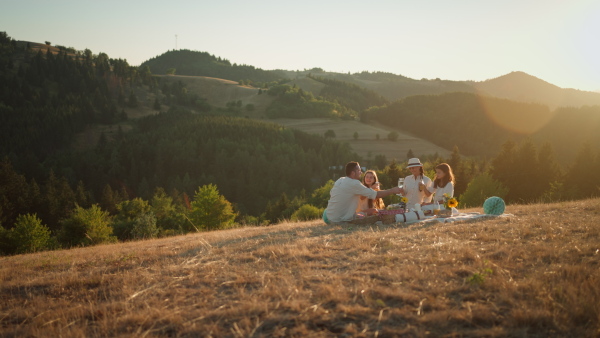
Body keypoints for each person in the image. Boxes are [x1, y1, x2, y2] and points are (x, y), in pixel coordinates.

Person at [324, 162, 402, 223]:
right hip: (339, 221)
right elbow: (376, 194)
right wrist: (392, 190)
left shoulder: (340, 180)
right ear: (353, 173)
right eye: (359, 170)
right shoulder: (354, 183)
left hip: (330, 216)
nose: (361, 172)